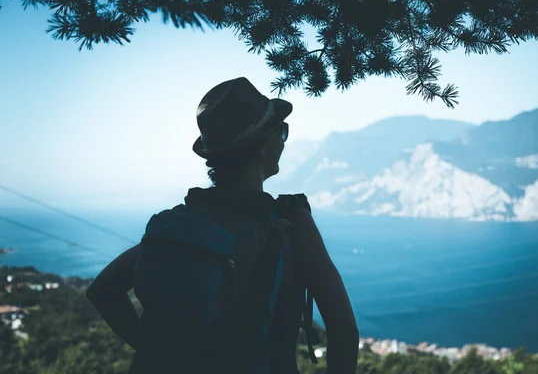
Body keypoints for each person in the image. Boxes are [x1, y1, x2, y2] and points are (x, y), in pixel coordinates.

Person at [86, 77, 359, 373]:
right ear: (262, 147)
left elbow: (103, 290)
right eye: (281, 132)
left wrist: (155, 351)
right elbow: (342, 328)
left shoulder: (184, 222)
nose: (283, 141)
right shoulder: (289, 222)